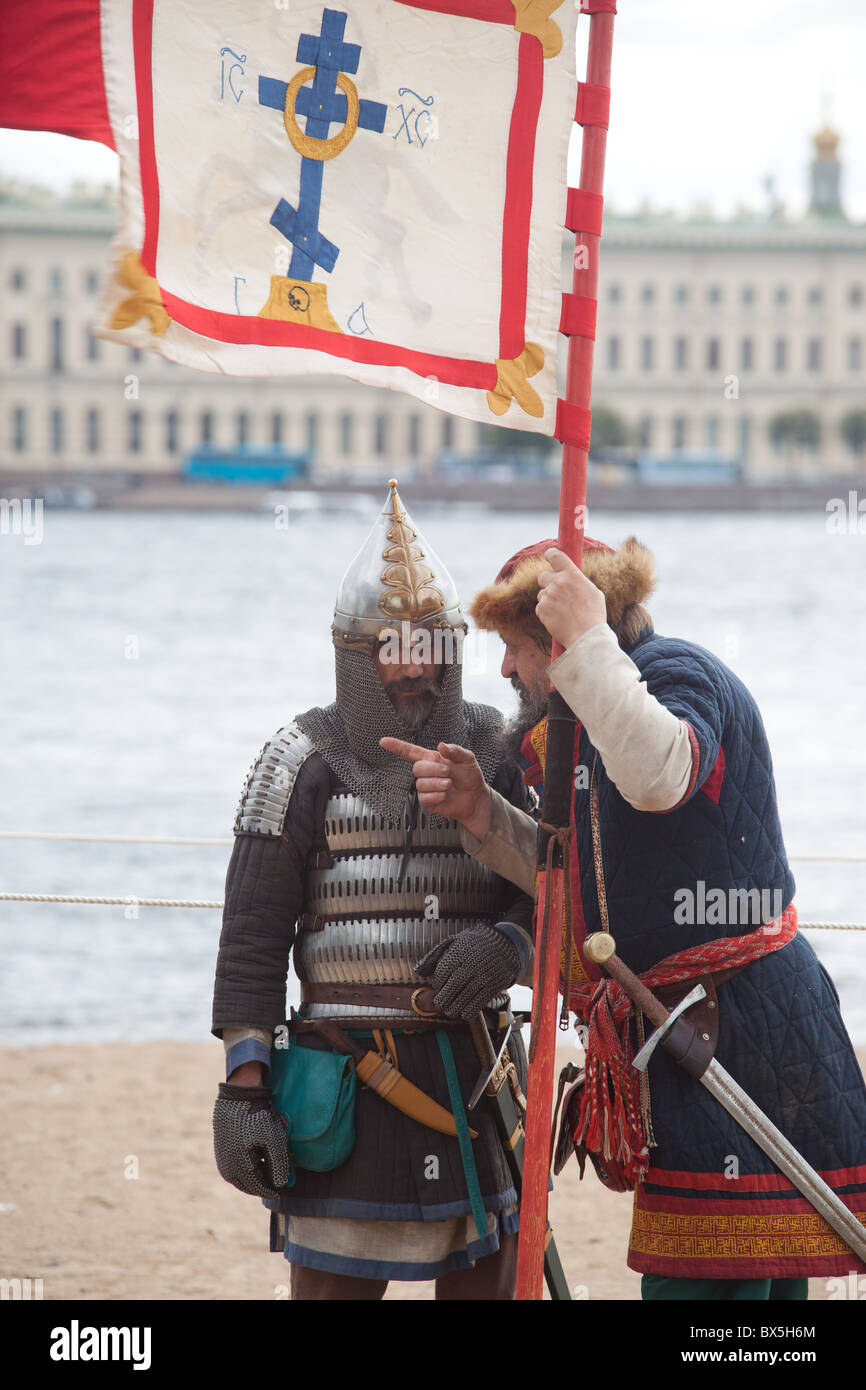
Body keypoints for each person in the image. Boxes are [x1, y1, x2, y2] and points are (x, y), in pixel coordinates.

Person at [385, 534, 866, 1300]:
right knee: (737, 1284)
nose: (506, 668)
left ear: (563, 636)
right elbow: (585, 891)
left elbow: (659, 776)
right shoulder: (596, 709)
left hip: (738, 1024)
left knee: (717, 1285)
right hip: (683, 1028)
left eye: (516, 647)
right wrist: (484, 813)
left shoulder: (676, 674)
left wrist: (588, 641)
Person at [211, 481, 534, 1301]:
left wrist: (510, 944)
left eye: (429, 645)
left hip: (472, 1071)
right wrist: (245, 1083)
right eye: (391, 646)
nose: (413, 664)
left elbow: (552, 885)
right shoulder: (300, 761)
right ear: (356, 653)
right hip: (343, 1080)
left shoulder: (497, 752)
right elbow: (253, 935)